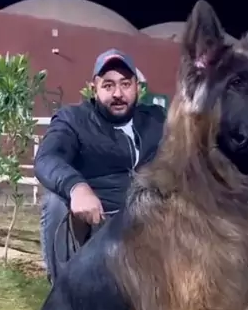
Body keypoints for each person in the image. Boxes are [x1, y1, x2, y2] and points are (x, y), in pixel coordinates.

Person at [34, 49, 166, 283]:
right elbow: (47, 158)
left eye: (125, 84)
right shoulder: (74, 119)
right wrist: (77, 188)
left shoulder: (156, 119)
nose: (118, 93)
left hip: (149, 218)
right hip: (98, 219)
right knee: (55, 203)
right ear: (94, 88)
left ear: (137, 87)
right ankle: (64, 291)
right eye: (108, 85)